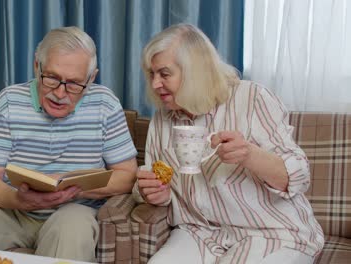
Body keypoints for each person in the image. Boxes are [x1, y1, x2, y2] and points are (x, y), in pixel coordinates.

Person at [0, 26, 138, 262]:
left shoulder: (105, 104)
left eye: (74, 84)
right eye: (51, 78)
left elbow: (127, 175)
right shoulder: (7, 103)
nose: (60, 93)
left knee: (73, 226)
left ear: (91, 78)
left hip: (72, 212)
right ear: (36, 66)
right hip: (12, 213)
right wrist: (19, 199)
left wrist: (71, 185)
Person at [133, 23, 324, 263]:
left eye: (164, 74)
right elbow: (151, 180)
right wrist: (155, 194)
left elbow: (299, 177)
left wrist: (249, 155)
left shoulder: (253, 98)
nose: (154, 84)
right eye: (151, 74)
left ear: (195, 71)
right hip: (200, 233)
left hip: (273, 232)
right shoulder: (162, 119)